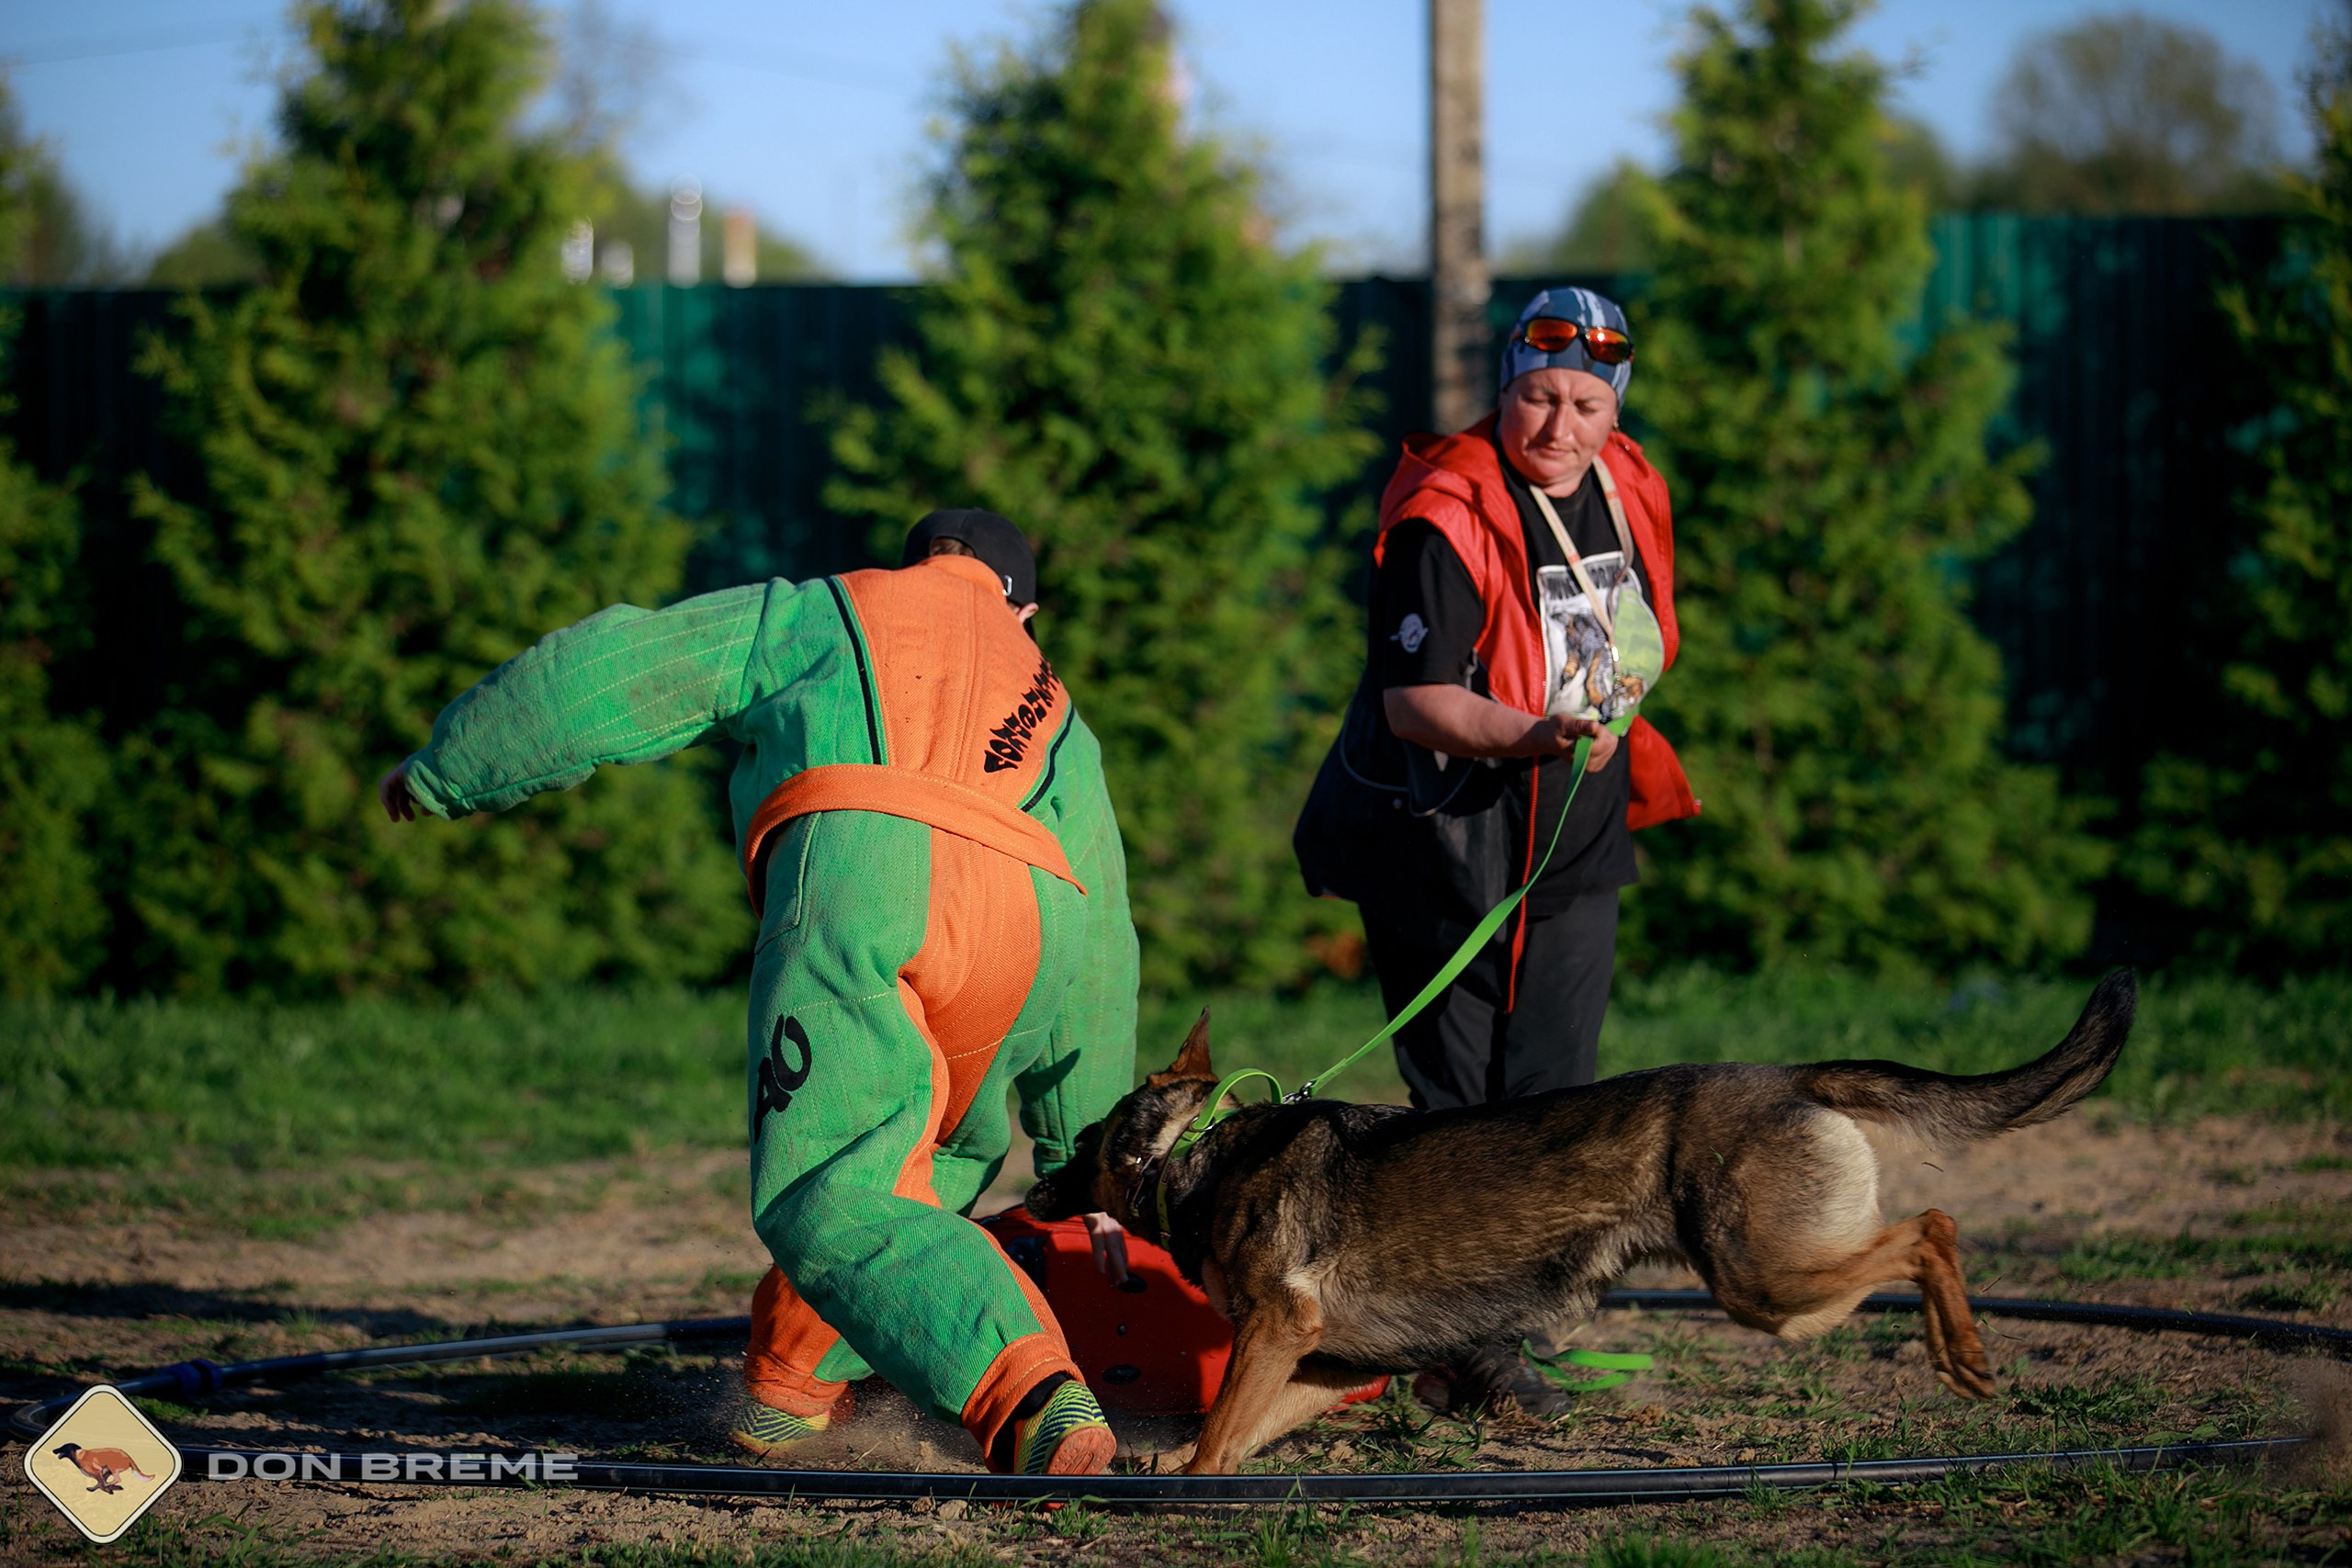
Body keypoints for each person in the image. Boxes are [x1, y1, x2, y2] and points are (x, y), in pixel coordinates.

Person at [379, 510, 1140, 1477]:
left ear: (922, 562)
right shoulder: (1061, 713)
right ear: (1021, 608)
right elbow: (1106, 939)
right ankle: (788, 1395)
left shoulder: (825, 609)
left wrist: (453, 765)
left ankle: (1026, 1388)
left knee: (829, 1185)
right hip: (1031, 936)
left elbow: (618, 670)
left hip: (867, 881)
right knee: (920, 1177)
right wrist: (1089, 1157)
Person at [1295, 288, 1700, 1413]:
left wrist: (1598, 717)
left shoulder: (1628, 485)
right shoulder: (1443, 512)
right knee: (1464, 1117)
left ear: (1614, 408)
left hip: (1574, 822)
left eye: (1584, 402)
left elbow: (1636, 630)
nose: (1558, 427)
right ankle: (1457, 1355)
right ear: (1503, 390)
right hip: (1448, 837)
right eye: (1535, 396)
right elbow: (1417, 700)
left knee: (1559, 1103)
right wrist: (1534, 732)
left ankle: (1519, 1325)